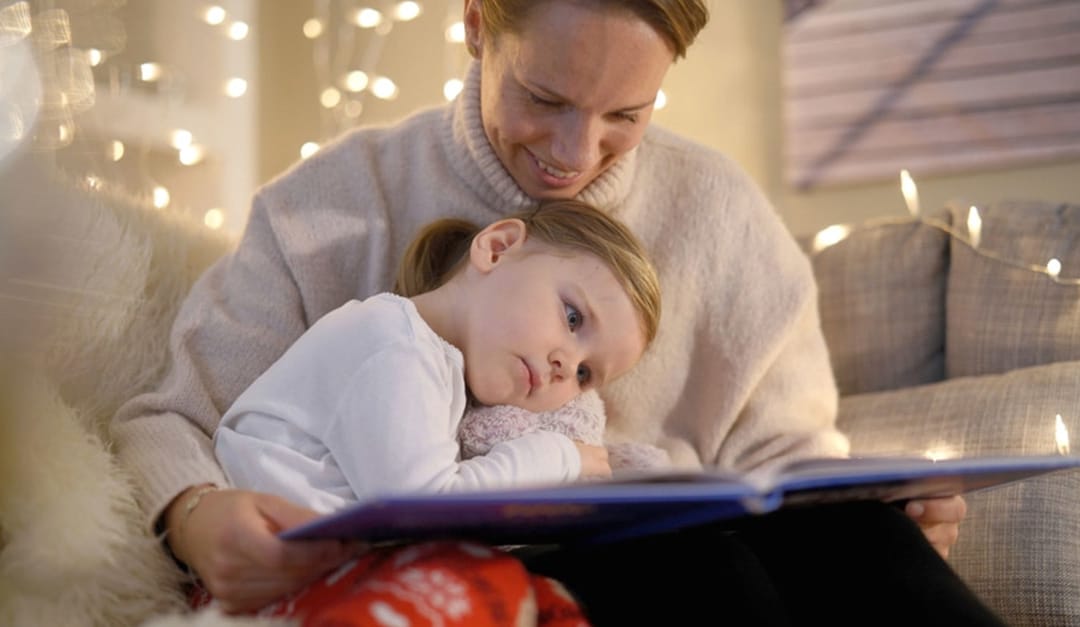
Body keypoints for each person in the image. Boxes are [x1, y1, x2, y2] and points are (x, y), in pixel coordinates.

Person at [112, 0, 1003, 624]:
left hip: (681, 523)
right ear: (474, 23)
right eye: (544, 99)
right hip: (521, 555)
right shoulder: (330, 203)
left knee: (861, 537)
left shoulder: (723, 214)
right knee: (696, 568)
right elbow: (169, 416)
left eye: (627, 112)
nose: (576, 153)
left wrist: (884, 505)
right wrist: (195, 513)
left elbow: (787, 459)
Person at [212, 200, 661, 512]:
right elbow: (424, 509)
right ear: (497, 248)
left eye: (585, 374)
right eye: (572, 316)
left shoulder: (434, 366)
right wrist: (559, 455)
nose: (566, 366)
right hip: (263, 571)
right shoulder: (393, 342)